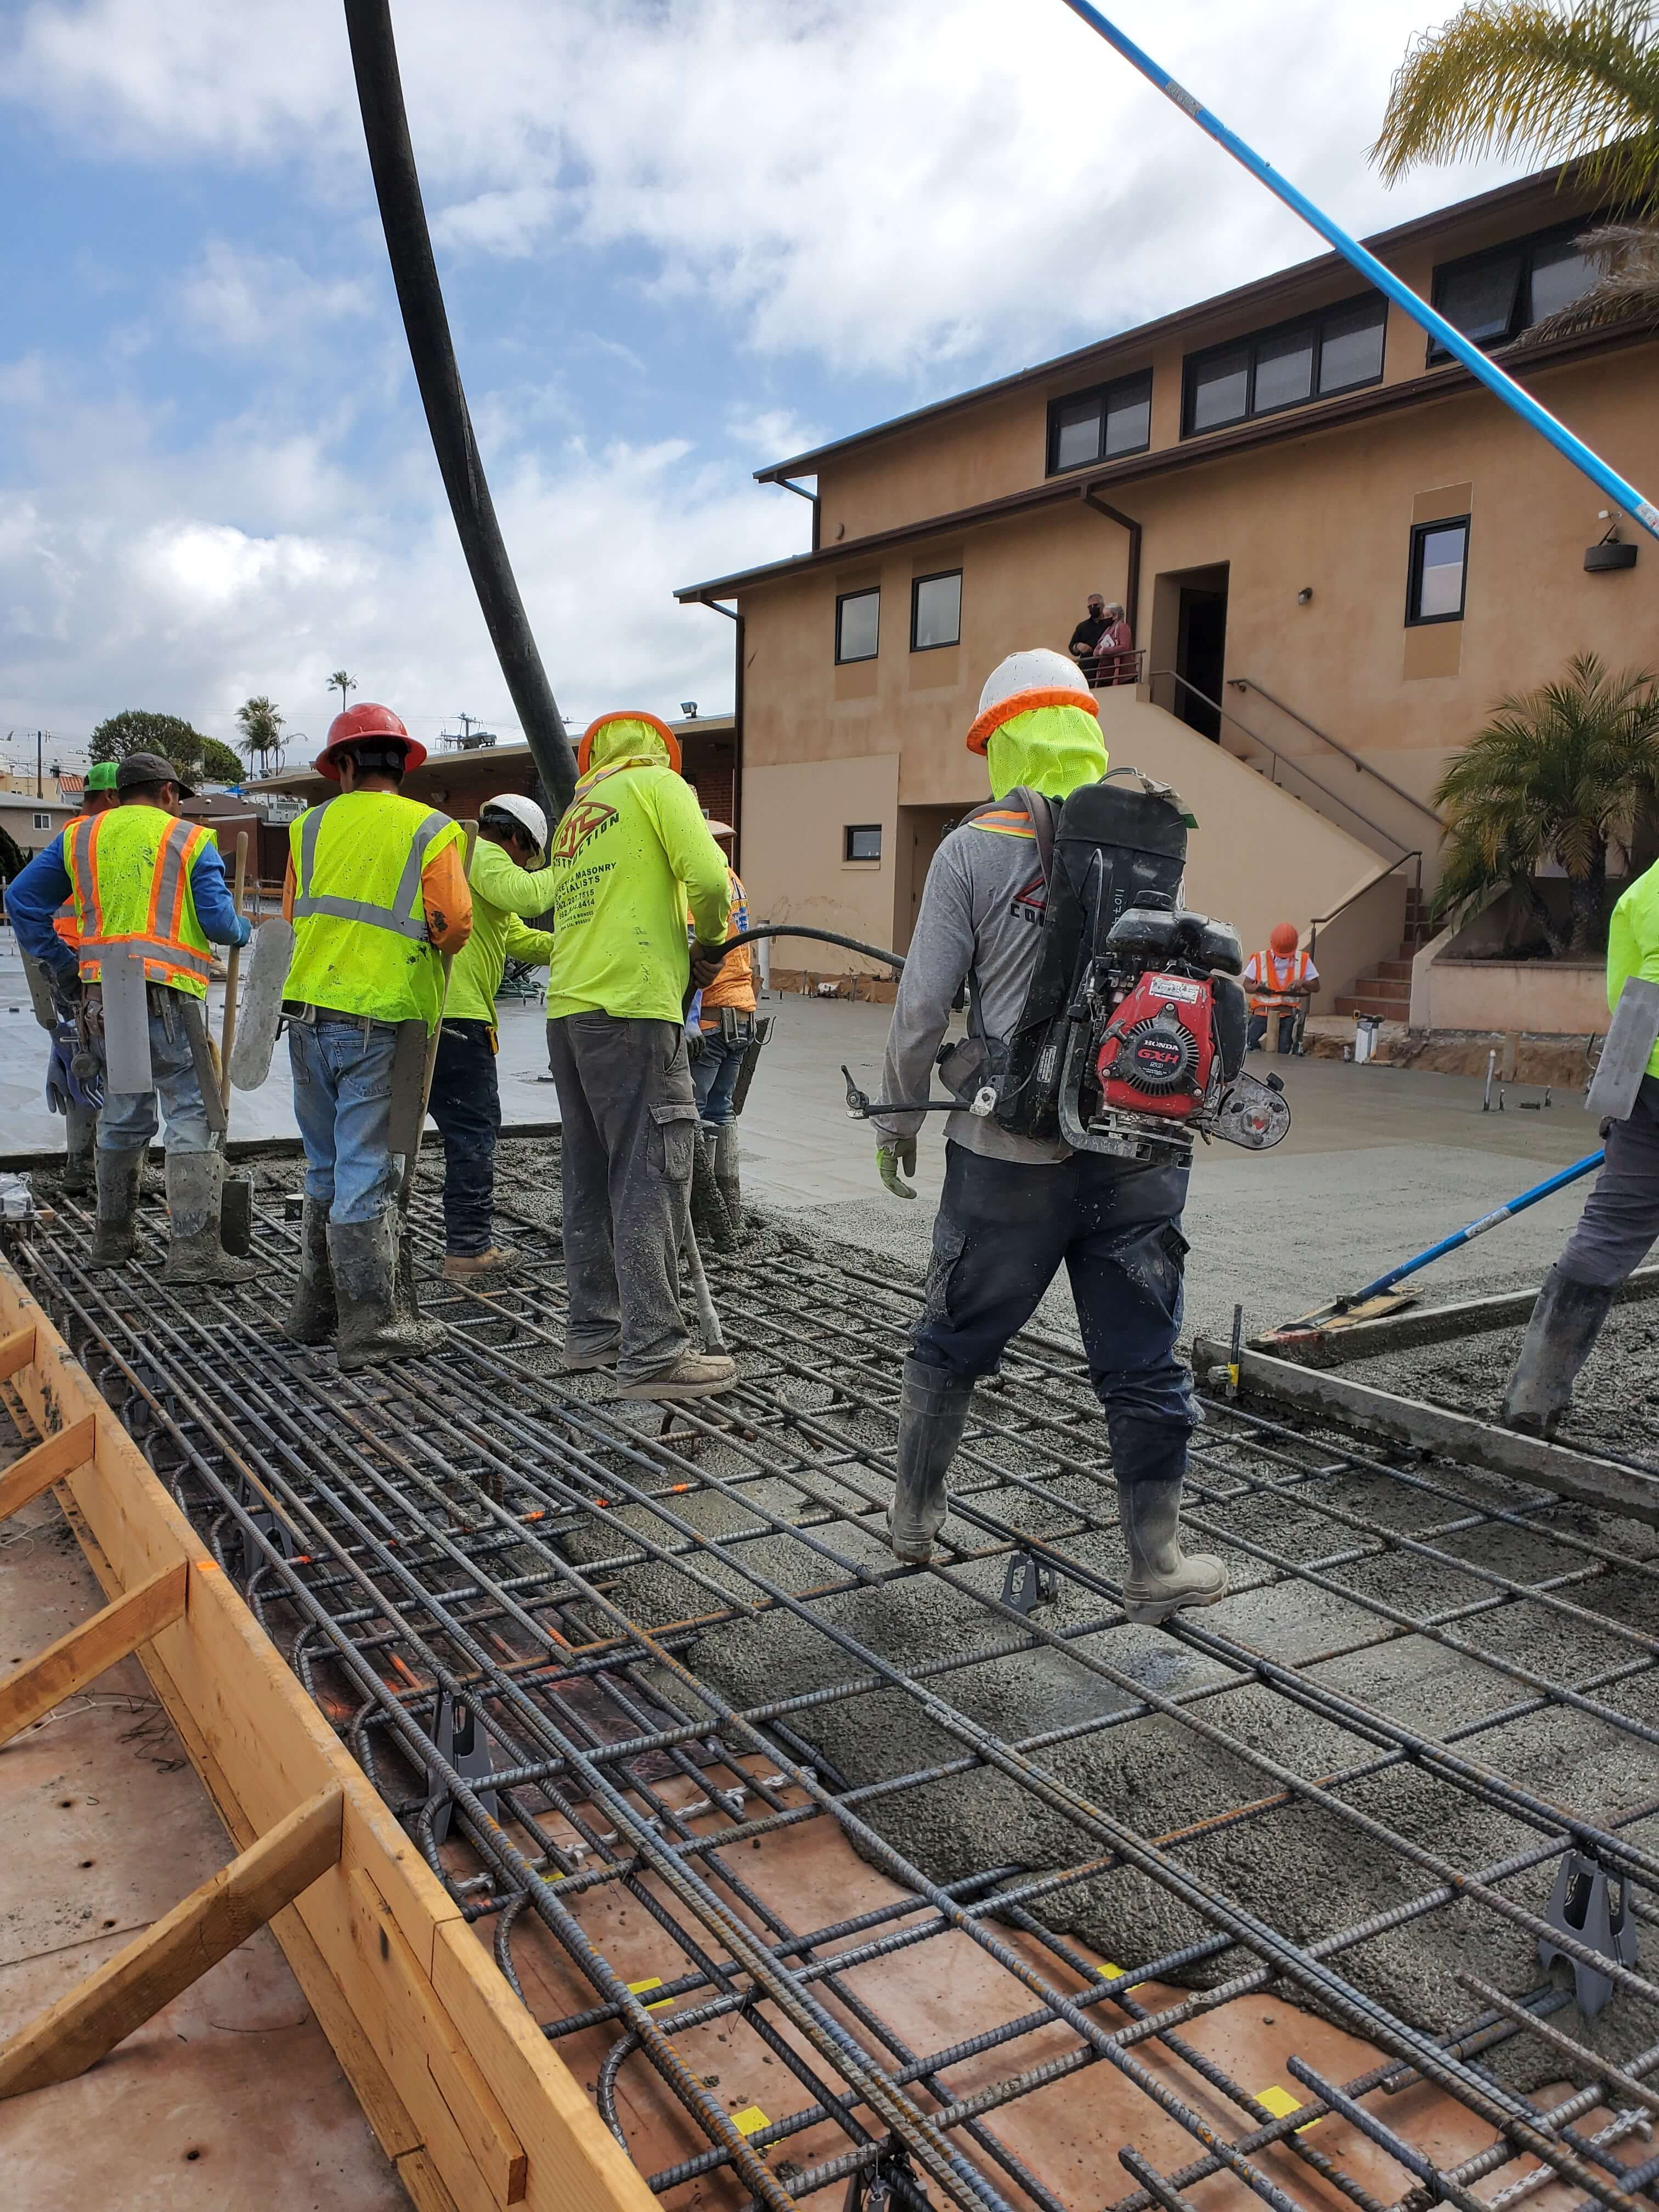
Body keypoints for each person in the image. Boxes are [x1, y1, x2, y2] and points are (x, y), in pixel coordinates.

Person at [871, 648, 1227, 1624]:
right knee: (1141, 1359)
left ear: (1000, 742)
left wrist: (899, 1120)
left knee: (952, 1338)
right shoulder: (1151, 838)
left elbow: (918, 1009)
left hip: (1007, 1154)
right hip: (1137, 1146)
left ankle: (912, 1517)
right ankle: (1154, 1560)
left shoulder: (971, 848)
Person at [5, 751, 255, 1281]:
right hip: (169, 1001)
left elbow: (22, 900)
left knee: (123, 1115)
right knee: (191, 1114)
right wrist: (244, 929)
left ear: (120, 792)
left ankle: (112, 1240)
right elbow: (218, 923)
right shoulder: (187, 839)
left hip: (102, 1003)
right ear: (168, 792)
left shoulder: (81, 836)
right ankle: (193, 1253)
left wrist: (65, 966)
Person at [543, 710, 735, 1400]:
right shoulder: (657, 785)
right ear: (661, 750)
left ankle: (594, 1330)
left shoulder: (577, 814)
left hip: (569, 1012)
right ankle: (654, 1349)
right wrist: (709, 944)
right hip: (632, 1009)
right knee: (652, 1171)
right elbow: (710, 881)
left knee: (589, 1172)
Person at [281, 704, 472, 1368]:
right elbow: (454, 924)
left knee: (325, 1162)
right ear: (399, 765)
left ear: (345, 765)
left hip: (304, 1015)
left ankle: (315, 1308)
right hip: (379, 1020)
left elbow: (291, 915)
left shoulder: (307, 827)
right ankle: (370, 1325)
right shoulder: (432, 828)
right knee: (367, 1164)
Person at [1502, 861, 1659, 1435]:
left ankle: (1532, 1397)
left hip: (1647, 1083)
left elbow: (1630, 993)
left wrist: (1626, 1100)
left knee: (1608, 1232)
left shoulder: (1644, 891)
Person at [429, 792, 555, 1279]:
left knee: (403, 1136)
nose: (525, 866)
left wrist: (589, 943)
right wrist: (573, 865)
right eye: (529, 855)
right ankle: (467, 1250)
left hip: (433, 1018)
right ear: (517, 837)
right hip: (459, 1022)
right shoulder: (481, 854)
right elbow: (530, 896)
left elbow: (521, 937)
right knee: (473, 1138)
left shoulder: (471, 873)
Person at [46, 761, 119, 1193]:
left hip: (68, 963)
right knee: (114, 1068)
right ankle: (108, 1172)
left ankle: (80, 1167)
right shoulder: (100, 839)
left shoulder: (69, 837)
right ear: (112, 797)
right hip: (91, 965)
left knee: (78, 1061)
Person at [687, 819, 759, 1227]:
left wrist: (690, 1019)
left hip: (712, 1020)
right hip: (742, 1016)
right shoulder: (735, 882)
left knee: (690, 1116)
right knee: (723, 1110)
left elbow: (697, 954)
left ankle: (697, 1216)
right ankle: (727, 1215)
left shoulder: (700, 886)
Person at [1243, 924, 1317, 1053]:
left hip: (1287, 1018)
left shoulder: (1303, 960)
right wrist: (1257, 988)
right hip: (1262, 1016)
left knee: (1283, 1056)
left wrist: (1303, 982)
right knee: (1252, 1053)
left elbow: (1316, 987)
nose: (1283, 957)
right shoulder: (1260, 959)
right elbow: (1247, 985)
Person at [1091, 602, 1135, 684]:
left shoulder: (1122, 627)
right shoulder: (1107, 631)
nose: (1105, 619)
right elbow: (1097, 650)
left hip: (1121, 675)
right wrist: (1099, 652)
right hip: (1105, 674)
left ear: (1116, 616)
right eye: (1104, 616)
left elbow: (1124, 647)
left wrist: (1106, 651)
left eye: (1107, 616)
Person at [1068, 592, 1111, 669]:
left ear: (1103, 606)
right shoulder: (1082, 627)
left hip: (1106, 669)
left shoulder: (1110, 624)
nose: (1093, 608)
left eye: (1095, 605)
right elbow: (1072, 646)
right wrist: (1078, 646)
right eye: (1090, 607)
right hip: (1087, 669)